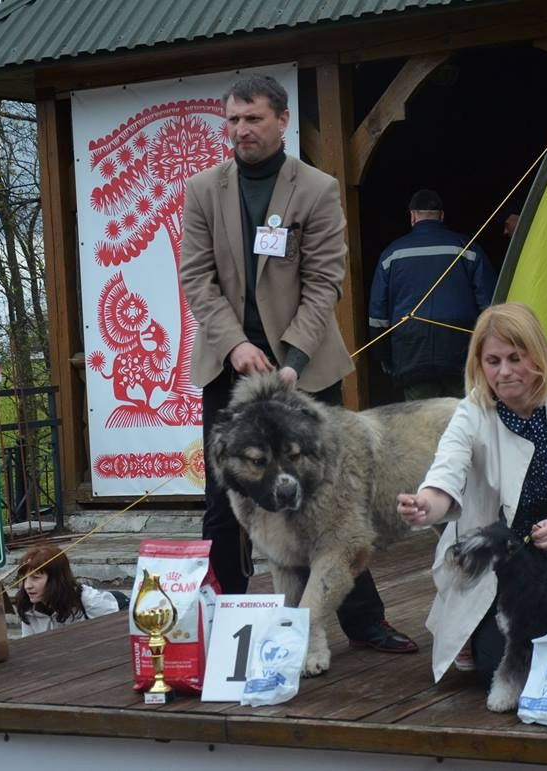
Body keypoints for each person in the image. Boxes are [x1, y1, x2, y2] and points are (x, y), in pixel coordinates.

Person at [180, 74, 416, 654]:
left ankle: (362, 622)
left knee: (331, 501)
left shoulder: (315, 188)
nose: (241, 131)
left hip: (303, 371)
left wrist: (292, 359)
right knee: (225, 504)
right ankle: (228, 623)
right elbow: (197, 279)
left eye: (253, 119)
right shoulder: (203, 190)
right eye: (232, 120)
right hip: (228, 368)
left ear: (282, 121)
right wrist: (236, 345)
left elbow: (324, 281)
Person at [397, 302, 547, 681]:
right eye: (492, 361)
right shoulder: (471, 412)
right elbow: (444, 476)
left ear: (538, 354)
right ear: (478, 364)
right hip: (496, 550)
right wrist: (423, 506)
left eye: (516, 357)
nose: (505, 371)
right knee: (496, 664)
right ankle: (468, 625)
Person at [368, 189, 497, 400]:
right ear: (442, 215)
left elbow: (377, 315)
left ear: (412, 217)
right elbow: (491, 307)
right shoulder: (468, 248)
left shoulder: (391, 255)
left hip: (411, 354)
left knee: (423, 425)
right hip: (460, 353)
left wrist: (384, 357)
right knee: (463, 420)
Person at [14, 545, 122, 637]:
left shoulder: (87, 599)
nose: (27, 586)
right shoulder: (26, 606)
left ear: (55, 579)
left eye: (35, 578)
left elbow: (117, 630)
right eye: (23, 579)